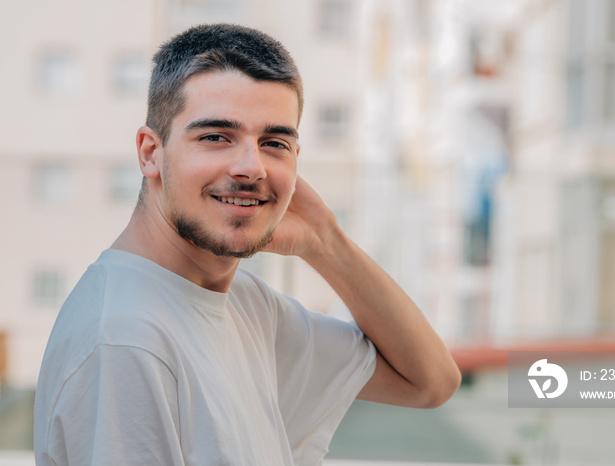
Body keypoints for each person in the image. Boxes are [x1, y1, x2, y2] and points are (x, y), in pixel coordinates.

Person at [34, 23, 461, 466]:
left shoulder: (245, 305)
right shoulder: (124, 339)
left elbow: (429, 381)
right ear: (150, 153)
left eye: (274, 143)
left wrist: (325, 242)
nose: (250, 166)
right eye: (216, 136)